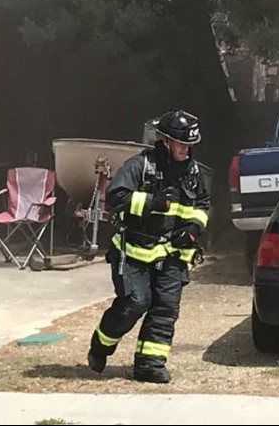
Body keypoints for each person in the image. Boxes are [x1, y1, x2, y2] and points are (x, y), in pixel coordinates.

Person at [86, 109, 210, 383]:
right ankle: (101, 345)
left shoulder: (193, 171)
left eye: (189, 144)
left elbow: (202, 205)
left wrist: (192, 230)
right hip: (133, 251)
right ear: (165, 141)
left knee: (165, 309)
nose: (185, 149)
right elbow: (116, 196)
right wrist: (150, 203)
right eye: (180, 143)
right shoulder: (140, 165)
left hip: (173, 253)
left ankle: (150, 366)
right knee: (135, 303)